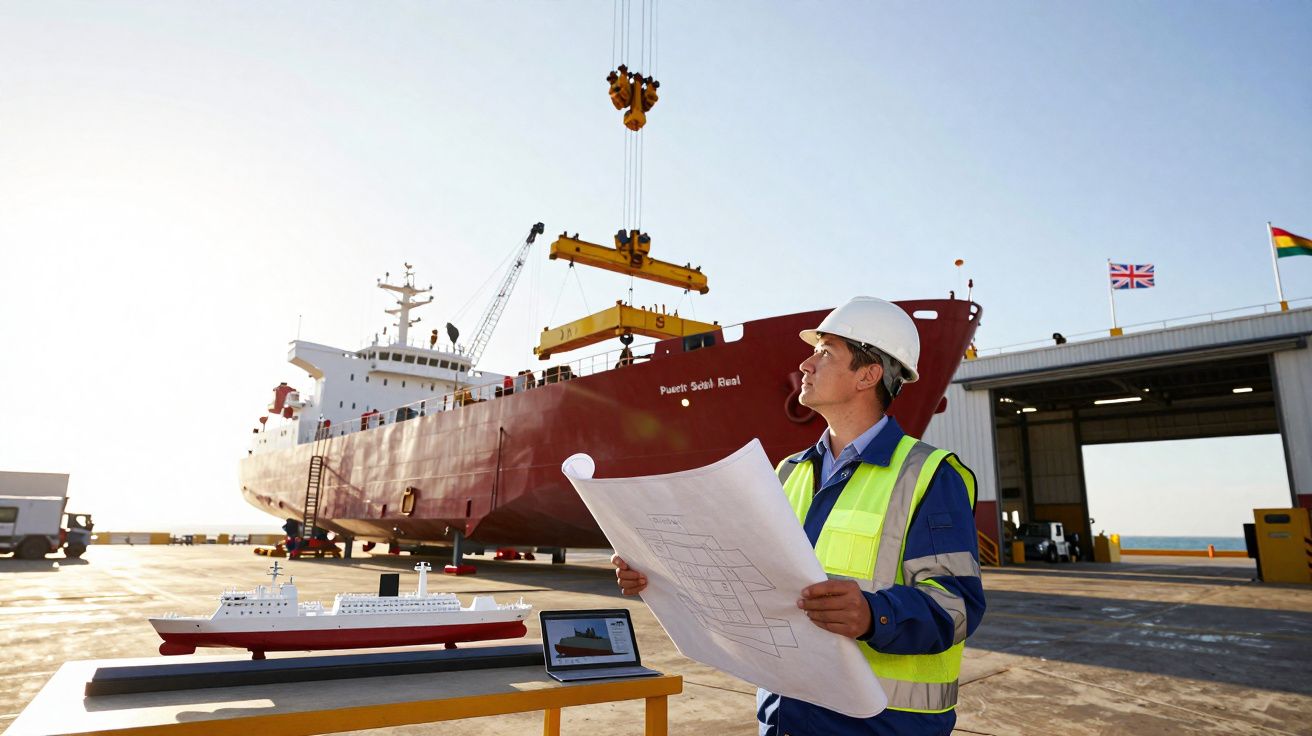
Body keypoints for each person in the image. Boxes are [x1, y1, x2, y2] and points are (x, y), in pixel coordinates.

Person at [612, 296, 985, 736]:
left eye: (825, 353)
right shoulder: (789, 471)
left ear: (869, 375)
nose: (806, 365)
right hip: (787, 715)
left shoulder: (930, 475)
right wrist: (659, 573)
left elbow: (957, 605)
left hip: (881, 725)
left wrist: (874, 614)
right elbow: (745, 573)